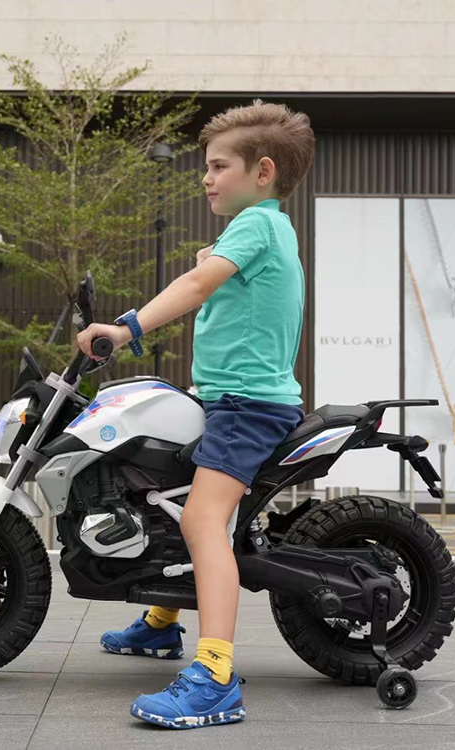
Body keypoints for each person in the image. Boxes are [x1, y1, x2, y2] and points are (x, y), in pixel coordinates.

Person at [76, 99, 315, 729]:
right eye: (205, 167)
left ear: (262, 172)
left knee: (203, 520)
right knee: (171, 503)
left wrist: (125, 329)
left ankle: (214, 678)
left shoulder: (256, 225)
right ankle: (161, 622)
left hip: (246, 406)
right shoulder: (265, 227)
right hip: (227, 398)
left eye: (217, 166)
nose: (205, 178)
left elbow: (196, 287)